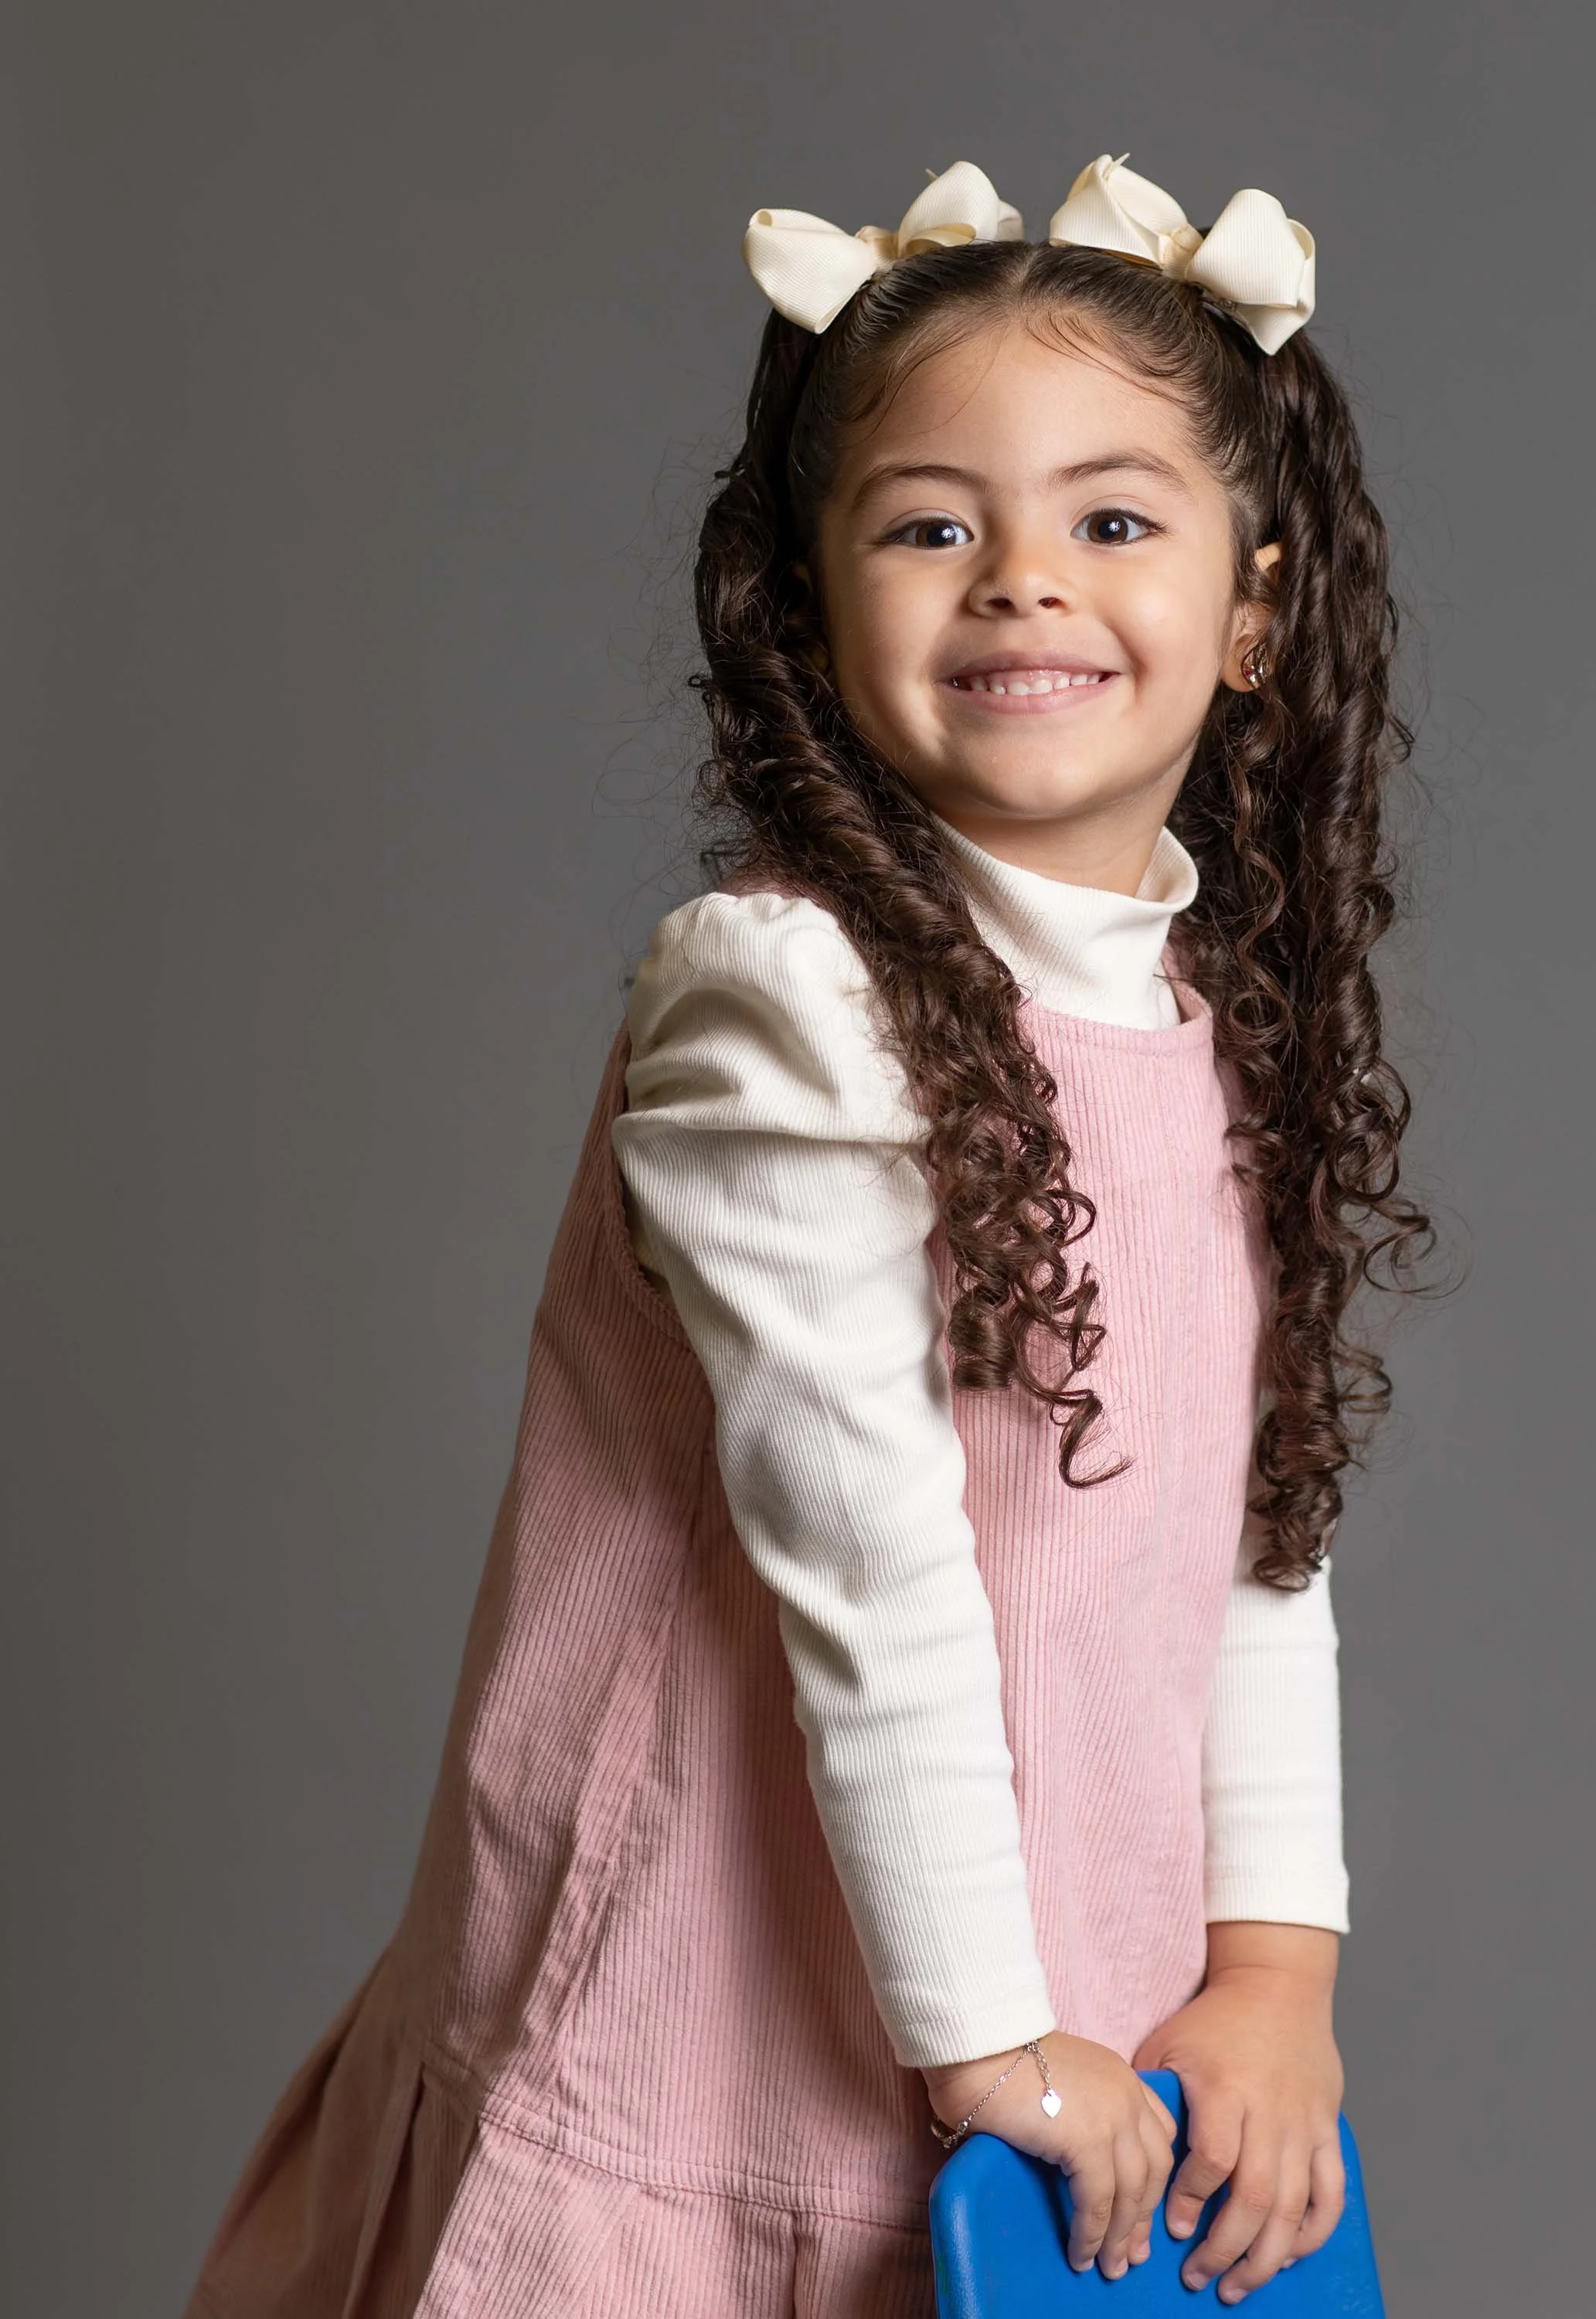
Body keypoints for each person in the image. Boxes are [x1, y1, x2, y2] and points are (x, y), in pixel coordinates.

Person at [184, 152, 1432, 2319]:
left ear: (1257, 611)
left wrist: (1273, 1970)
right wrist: (980, 2043)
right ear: (813, 605)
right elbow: (877, 1573)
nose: (1023, 578)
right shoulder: (782, 1003)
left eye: (1113, 519)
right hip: (714, 2030)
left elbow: (1258, 1540)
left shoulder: (1216, 1023)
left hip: (1049, 2036)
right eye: (933, 522)